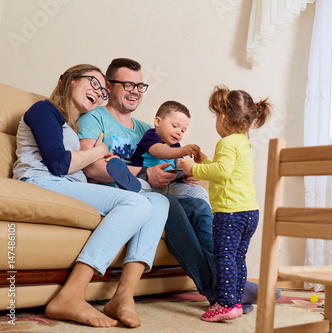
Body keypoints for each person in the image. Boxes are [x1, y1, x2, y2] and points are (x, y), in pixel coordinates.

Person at [77, 58, 270, 314]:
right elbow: (90, 167)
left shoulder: (147, 128)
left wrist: (185, 174)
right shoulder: (94, 118)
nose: (135, 90)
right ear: (110, 86)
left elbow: (168, 160)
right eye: (127, 84)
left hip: (155, 188)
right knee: (171, 207)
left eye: (140, 85)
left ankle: (229, 287)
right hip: (124, 191)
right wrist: (146, 174)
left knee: (201, 208)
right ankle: (218, 293)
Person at [12, 64, 170, 328]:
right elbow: (59, 163)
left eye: (103, 92)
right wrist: (99, 152)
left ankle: (123, 295)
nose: (99, 93)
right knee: (135, 202)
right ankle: (71, 295)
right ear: (72, 80)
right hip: (41, 182)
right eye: (93, 84)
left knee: (158, 201)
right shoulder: (43, 110)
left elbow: (74, 167)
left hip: (68, 186)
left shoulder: (71, 128)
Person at [178, 85, 271, 322]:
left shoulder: (227, 143)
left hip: (230, 213)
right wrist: (206, 161)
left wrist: (193, 168)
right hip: (249, 211)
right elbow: (227, 171)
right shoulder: (242, 142)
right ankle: (236, 301)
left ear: (223, 116)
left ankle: (227, 304)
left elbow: (222, 171)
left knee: (225, 257)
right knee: (237, 257)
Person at [130, 100, 209, 204]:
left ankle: (214, 219)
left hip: (168, 185)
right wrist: (182, 150)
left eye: (183, 130)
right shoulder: (151, 136)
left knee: (199, 192)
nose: (178, 132)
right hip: (146, 182)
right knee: (136, 187)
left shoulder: (176, 145)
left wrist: (192, 169)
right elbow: (159, 151)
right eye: (175, 126)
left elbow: (180, 163)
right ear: (158, 122)